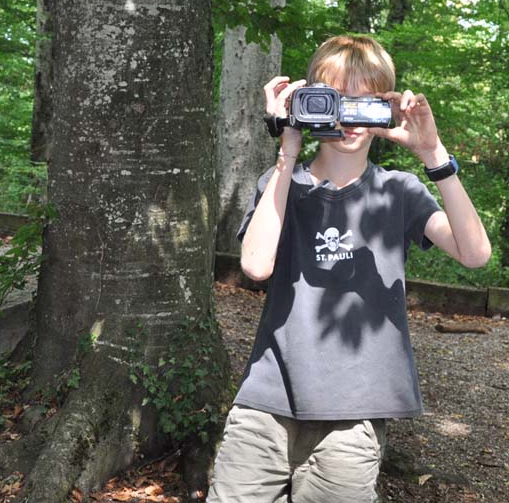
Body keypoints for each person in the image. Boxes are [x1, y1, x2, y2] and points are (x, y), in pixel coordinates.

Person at [207, 34, 492, 503]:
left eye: (367, 102)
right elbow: (256, 265)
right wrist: (287, 150)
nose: (351, 116)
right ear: (309, 103)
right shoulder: (281, 184)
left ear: (387, 107)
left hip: (355, 413)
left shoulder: (398, 191)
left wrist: (433, 154)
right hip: (266, 402)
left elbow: (475, 254)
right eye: (337, 100)